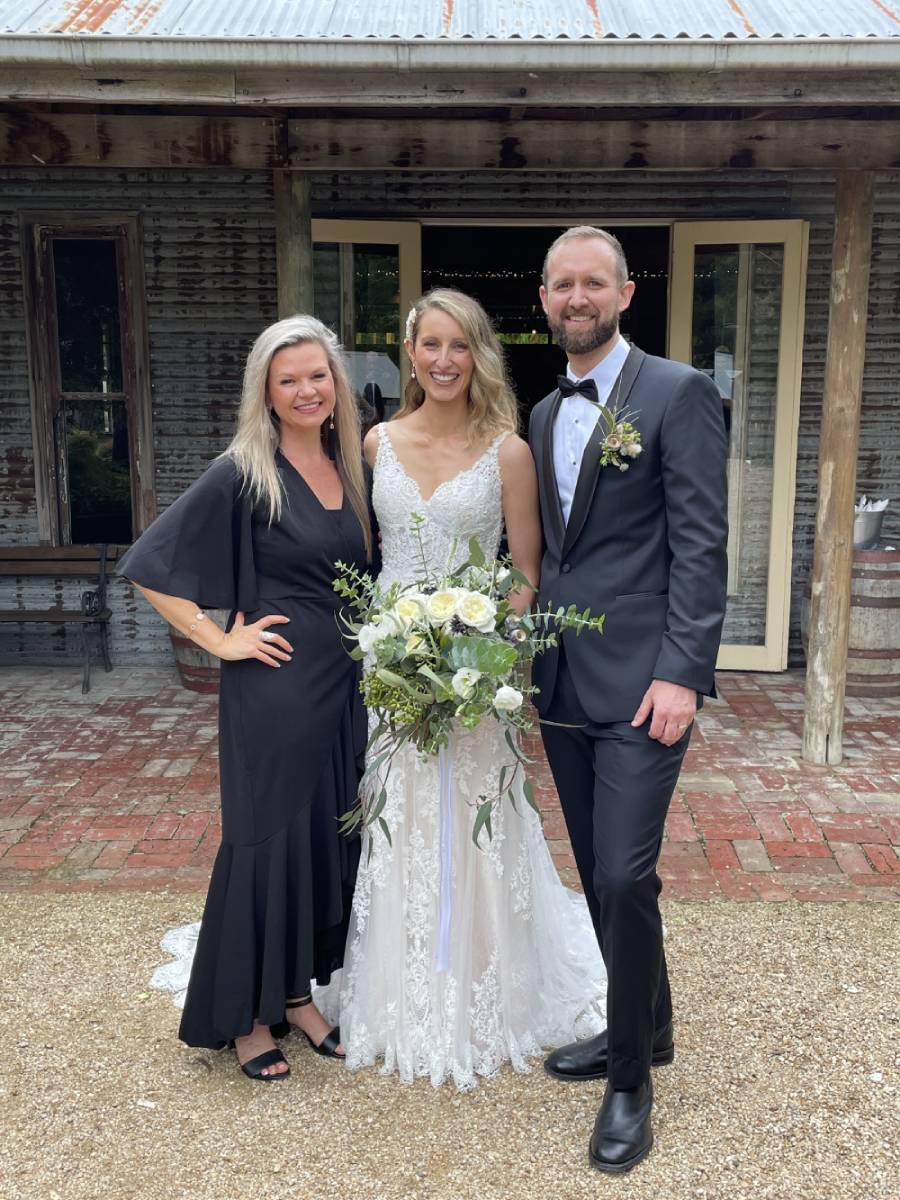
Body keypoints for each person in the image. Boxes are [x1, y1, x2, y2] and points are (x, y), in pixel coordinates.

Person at [319, 287, 607, 1090]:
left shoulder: (507, 451)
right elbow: (363, 556)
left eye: (460, 345)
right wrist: (398, 645)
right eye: (430, 344)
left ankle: (486, 992)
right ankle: (397, 989)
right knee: (400, 819)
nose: (444, 360)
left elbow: (523, 571)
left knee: (479, 828)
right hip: (393, 674)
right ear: (410, 353)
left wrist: (474, 652)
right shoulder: (374, 443)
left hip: (473, 678)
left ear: (479, 354)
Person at [117, 316, 374, 1081]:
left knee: (323, 840)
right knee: (266, 844)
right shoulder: (243, 469)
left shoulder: (349, 464)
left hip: (346, 687)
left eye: (318, 376)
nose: (306, 390)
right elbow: (149, 565)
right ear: (265, 390)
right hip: (275, 687)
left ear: (337, 386)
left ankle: (296, 995)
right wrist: (219, 640)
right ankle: (244, 1017)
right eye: (288, 378)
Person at [529, 227, 727, 1171]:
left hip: (650, 682)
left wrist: (684, 671)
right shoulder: (539, 414)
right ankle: (646, 1028)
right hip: (564, 679)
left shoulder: (677, 393)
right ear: (544, 298)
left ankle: (628, 1086)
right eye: (563, 284)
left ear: (625, 293)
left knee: (621, 874)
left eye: (593, 283)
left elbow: (701, 544)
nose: (578, 296)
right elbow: (552, 554)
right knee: (602, 871)